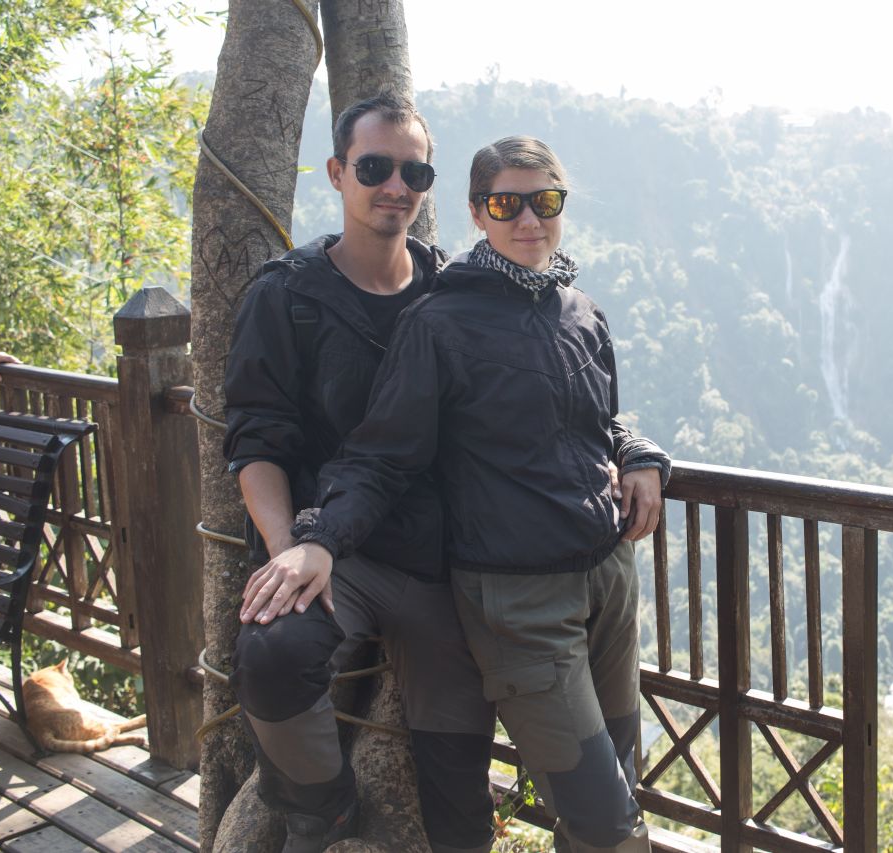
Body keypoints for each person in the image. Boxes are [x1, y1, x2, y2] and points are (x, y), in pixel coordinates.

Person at [254, 136, 668, 851]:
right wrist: (317, 538)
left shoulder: (580, 312)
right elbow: (383, 455)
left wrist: (639, 454)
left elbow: (594, 424)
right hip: (520, 603)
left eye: (545, 201)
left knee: (617, 783)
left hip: (608, 579)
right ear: (477, 212)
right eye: (507, 204)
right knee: (605, 818)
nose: (529, 219)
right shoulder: (440, 323)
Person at [223, 92, 496, 853]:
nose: (395, 186)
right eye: (374, 168)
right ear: (338, 173)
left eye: (415, 172)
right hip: (334, 551)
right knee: (273, 652)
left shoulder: (450, 292)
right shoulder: (287, 296)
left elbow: (536, 382)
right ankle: (321, 805)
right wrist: (289, 552)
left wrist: (631, 450)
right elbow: (256, 439)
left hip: (437, 561)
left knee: (458, 801)